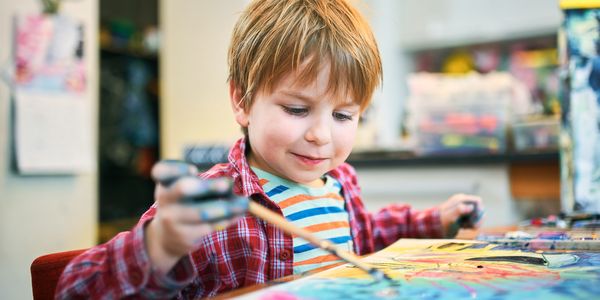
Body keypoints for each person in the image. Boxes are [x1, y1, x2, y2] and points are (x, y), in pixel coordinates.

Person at [56, 0, 483, 298]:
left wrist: (435, 220)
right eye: (298, 109)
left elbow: (369, 233)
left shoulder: (339, 183)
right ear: (242, 101)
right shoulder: (215, 204)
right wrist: (163, 245)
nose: (321, 136)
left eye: (343, 116)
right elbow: (76, 290)